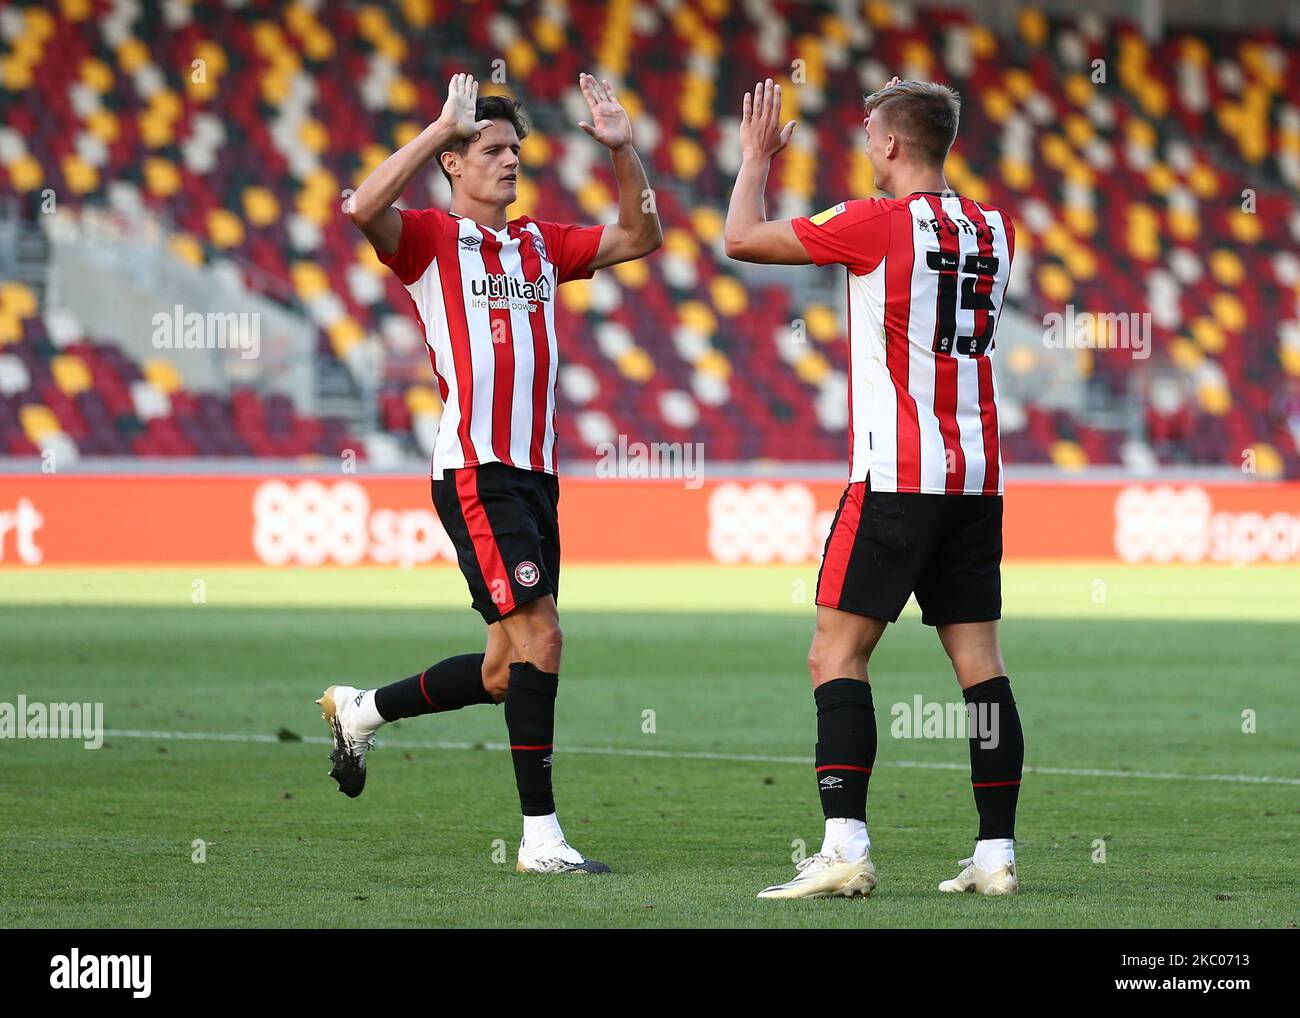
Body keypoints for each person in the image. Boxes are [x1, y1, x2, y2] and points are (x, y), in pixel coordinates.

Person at [318, 72, 661, 875]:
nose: (510, 162)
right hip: (479, 469)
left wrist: (623, 152)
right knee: (544, 635)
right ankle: (540, 840)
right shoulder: (431, 240)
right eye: (493, 150)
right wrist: (440, 127)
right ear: (453, 162)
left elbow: (640, 236)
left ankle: (359, 712)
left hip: (536, 476)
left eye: (516, 151)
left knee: (509, 669)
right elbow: (362, 208)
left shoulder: (539, 244)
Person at [725, 76, 1024, 899]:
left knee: (835, 654)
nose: (862, 142)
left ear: (891, 145)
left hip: (894, 476)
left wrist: (754, 159)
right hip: (977, 476)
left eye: (868, 131)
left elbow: (741, 239)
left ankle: (845, 845)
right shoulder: (996, 229)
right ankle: (996, 855)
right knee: (980, 666)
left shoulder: (873, 222)